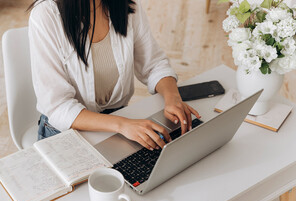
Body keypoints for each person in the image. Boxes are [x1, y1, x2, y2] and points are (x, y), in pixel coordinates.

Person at [28, 0, 201, 151]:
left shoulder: (126, 4)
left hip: (117, 124)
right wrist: (122, 124)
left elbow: (154, 64)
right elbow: (58, 107)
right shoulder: (45, 15)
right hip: (64, 133)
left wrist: (173, 97)